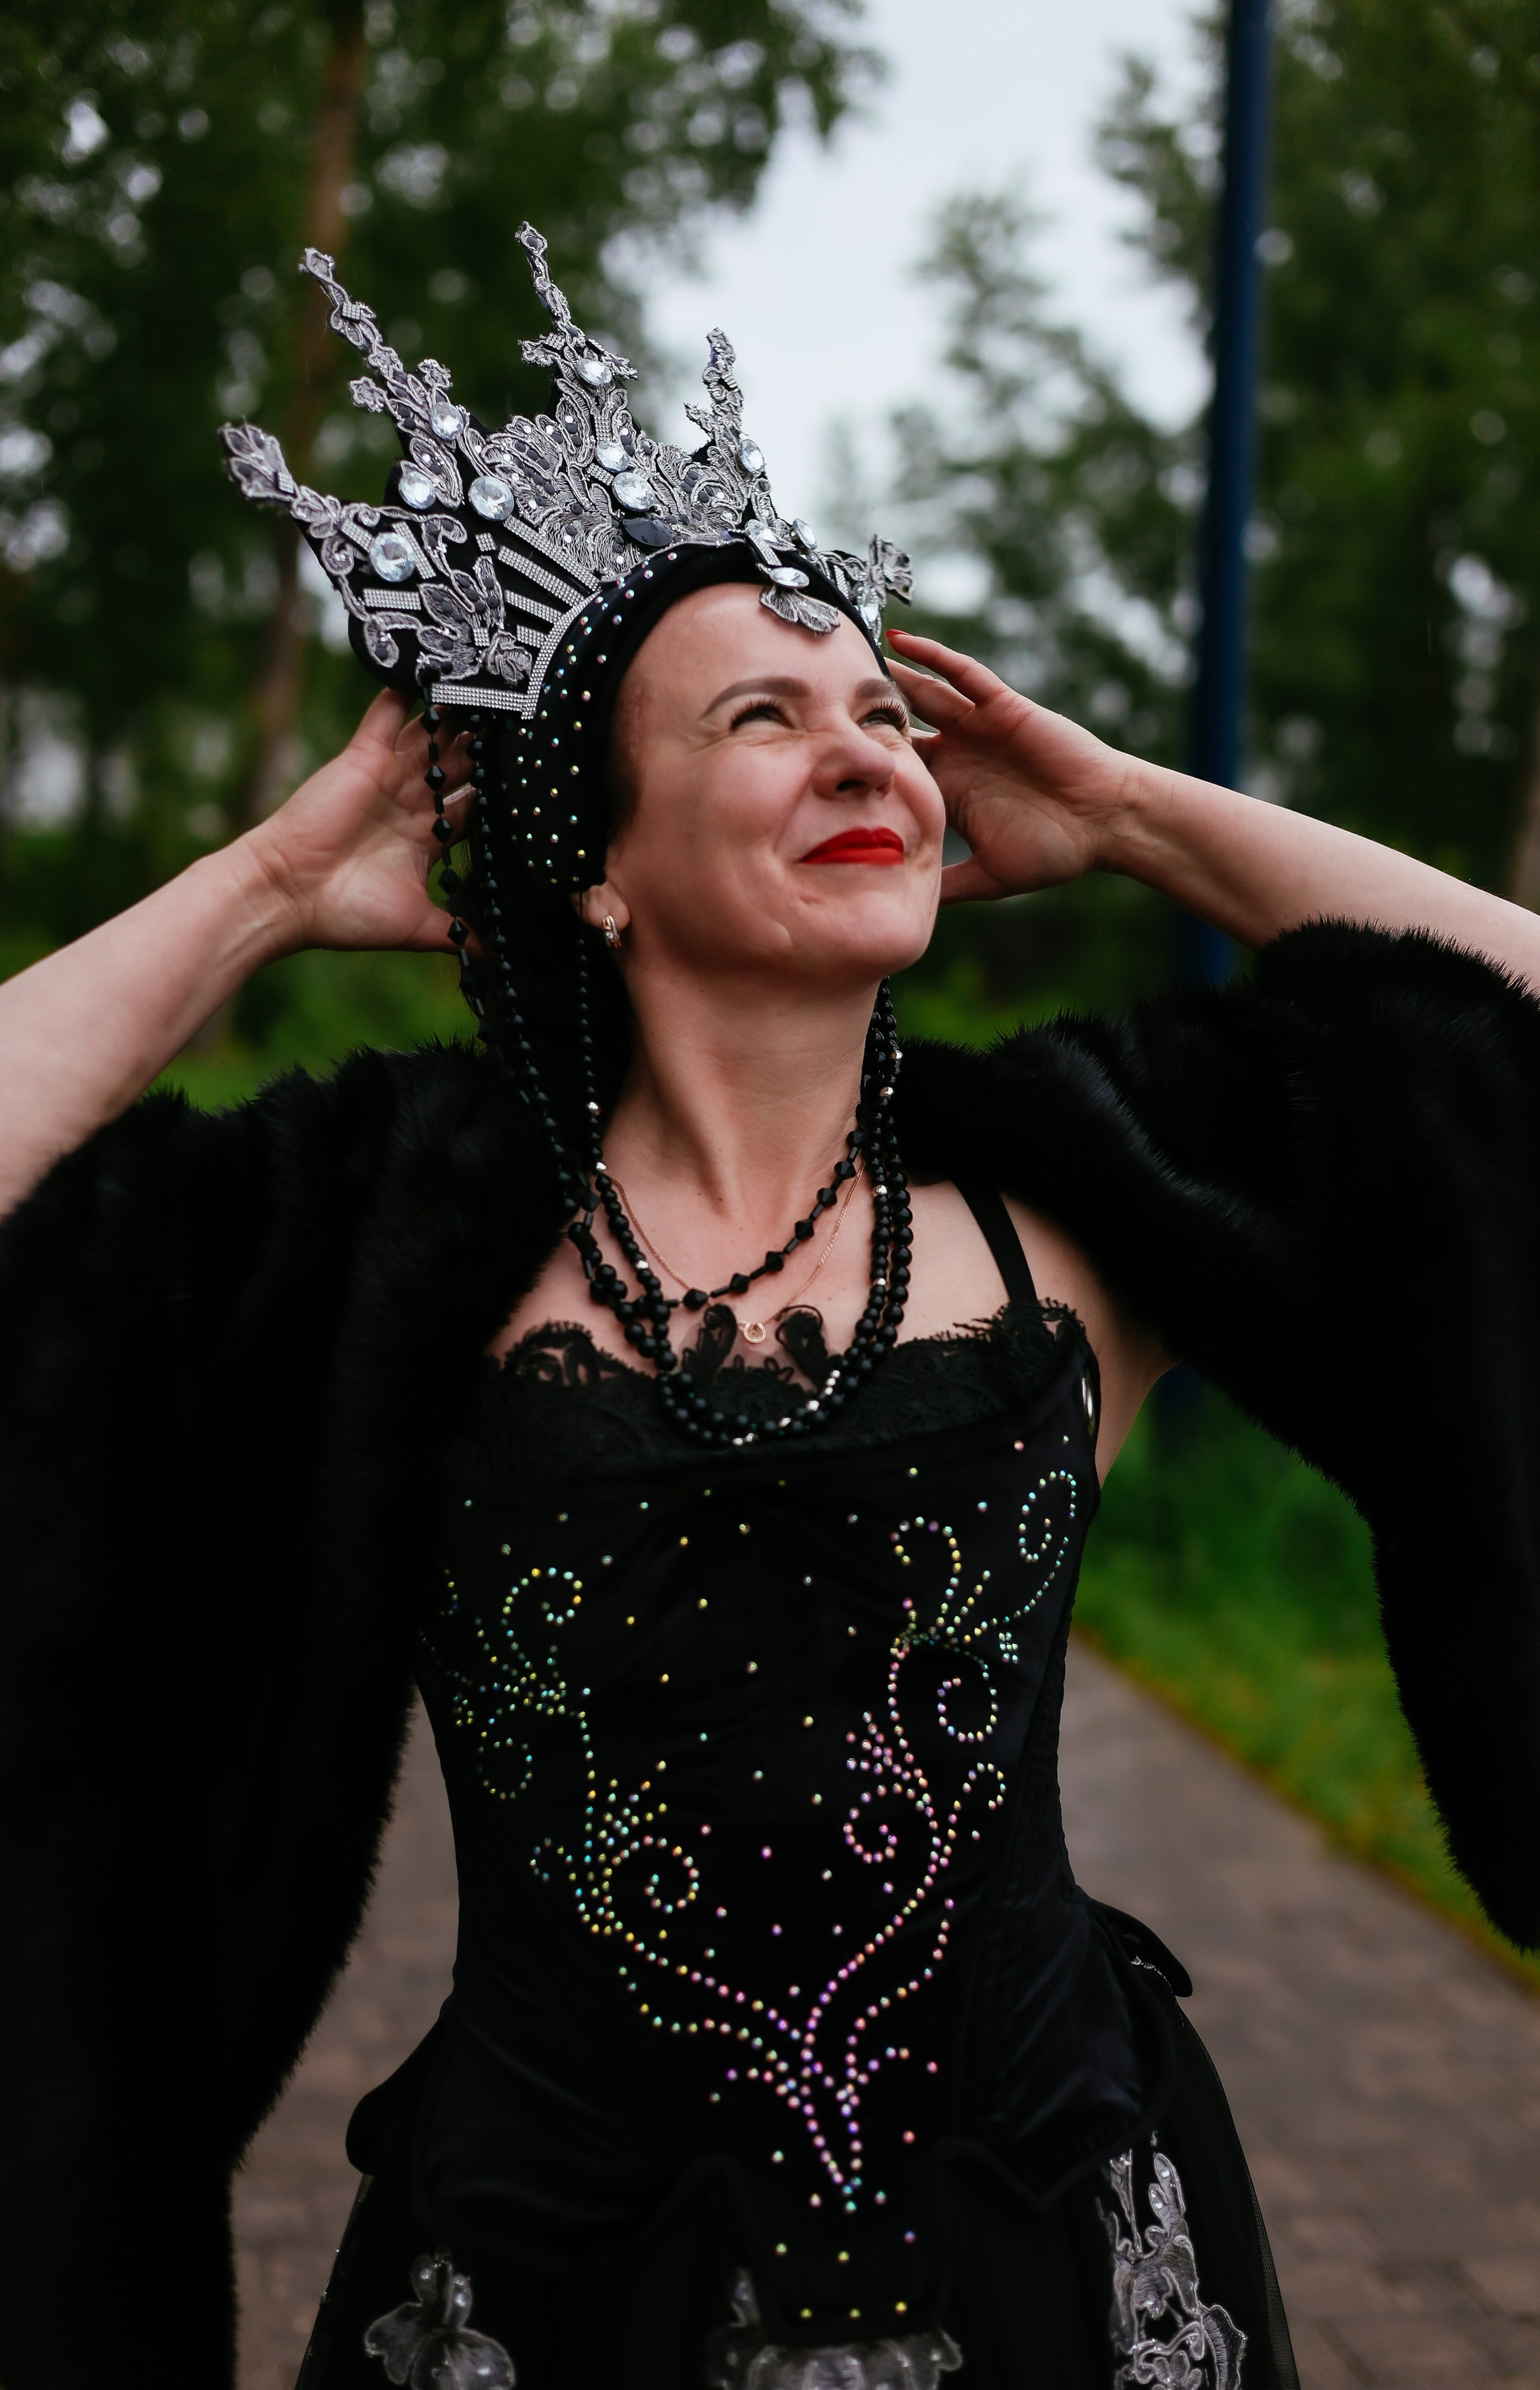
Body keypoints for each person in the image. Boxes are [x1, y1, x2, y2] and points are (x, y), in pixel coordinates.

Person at [3, 234, 1540, 2390]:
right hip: (544, 2288)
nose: (866, 755)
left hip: (1054, 2259)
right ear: (600, 862)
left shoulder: (1079, 1186)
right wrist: (268, 887)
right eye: (764, 716)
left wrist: (1131, 812)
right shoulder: (380, 1231)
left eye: (887, 719)